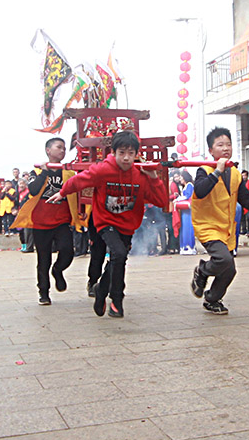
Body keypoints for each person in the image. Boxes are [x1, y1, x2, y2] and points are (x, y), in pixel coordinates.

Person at [51, 131, 168, 318]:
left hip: (128, 224)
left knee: (118, 259)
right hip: (105, 222)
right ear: (113, 152)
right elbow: (80, 180)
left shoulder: (140, 175)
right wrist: (63, 192)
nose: (126, 158)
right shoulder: (103, 170)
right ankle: (116, 300)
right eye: (122, 152)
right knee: (119, 253)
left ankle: (100, 290)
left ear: (136, 154)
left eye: (131, 153)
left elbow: (162, 200)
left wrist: (154, 177)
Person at [190, 127, 249, 314]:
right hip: (208, 226)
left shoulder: (235, 172)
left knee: (229, 270)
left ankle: (212, 299)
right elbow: (201, 190)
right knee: (223, 258)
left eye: (228, 144)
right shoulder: (204, 170)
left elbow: (243, 196)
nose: (226, 148)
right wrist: (216, 172)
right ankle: (203, 270)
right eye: (220, 145)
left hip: (226, 227)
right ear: (211, 150)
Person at [15, 138, 82, 305]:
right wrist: (44, 172)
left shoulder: (68, 172)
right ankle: (43, 293)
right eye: (59, 147)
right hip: (41, 222)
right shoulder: (36, 172)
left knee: (67, 250)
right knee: (43, 259)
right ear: (48, 150)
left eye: (64, 148)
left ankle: (58, 270)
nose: (62, 151)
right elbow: (33, 190)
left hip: (62, 220)